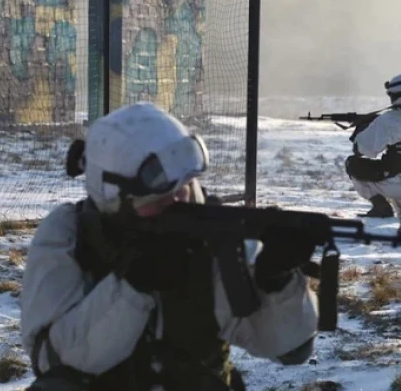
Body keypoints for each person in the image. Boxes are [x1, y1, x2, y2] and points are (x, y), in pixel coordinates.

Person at [20, 101, 319, 391]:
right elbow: (53, 361)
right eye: (158, 200)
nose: (178, 203)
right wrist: (133, 289)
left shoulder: (213, 234)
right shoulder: (70, 235)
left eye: (184, 188)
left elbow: (290, 347)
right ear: (116, 201)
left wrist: (279, 282)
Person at [343, 73, 401, 220]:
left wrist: (363, 129)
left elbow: (364, 150)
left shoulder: (390, 118)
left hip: (394, 184)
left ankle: (381, 206)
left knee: (353, 164)